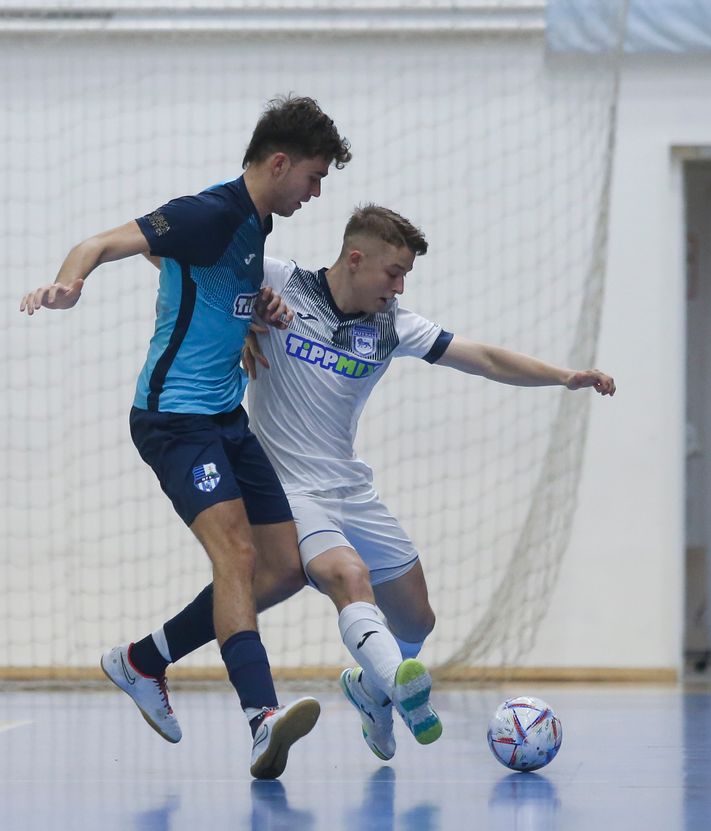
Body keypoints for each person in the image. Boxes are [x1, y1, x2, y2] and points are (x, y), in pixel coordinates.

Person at [115, 204, 616, 761]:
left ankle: (369, 688)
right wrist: (241, 316)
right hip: (285, 490)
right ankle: (403, 696)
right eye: (393, 273)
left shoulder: (391, 324)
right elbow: (169, 254)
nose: (399, 287)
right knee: (344, 574)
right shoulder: (279, 281)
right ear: (356, 259)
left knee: (416, 618)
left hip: (352, 490)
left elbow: (484, 357)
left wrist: (563, 376)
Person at [19, 94, 352, 780]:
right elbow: (105, 242)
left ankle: (143, 659)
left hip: (225, 418)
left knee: (284, 567)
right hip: (174, 419)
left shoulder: (255, 226)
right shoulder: (210, 212)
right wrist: (68, 283)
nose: (316, 193)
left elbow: (194, 269)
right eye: (314, 177)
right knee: (234, 555)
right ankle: (261, 722)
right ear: (280, 162)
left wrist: (253, 309)